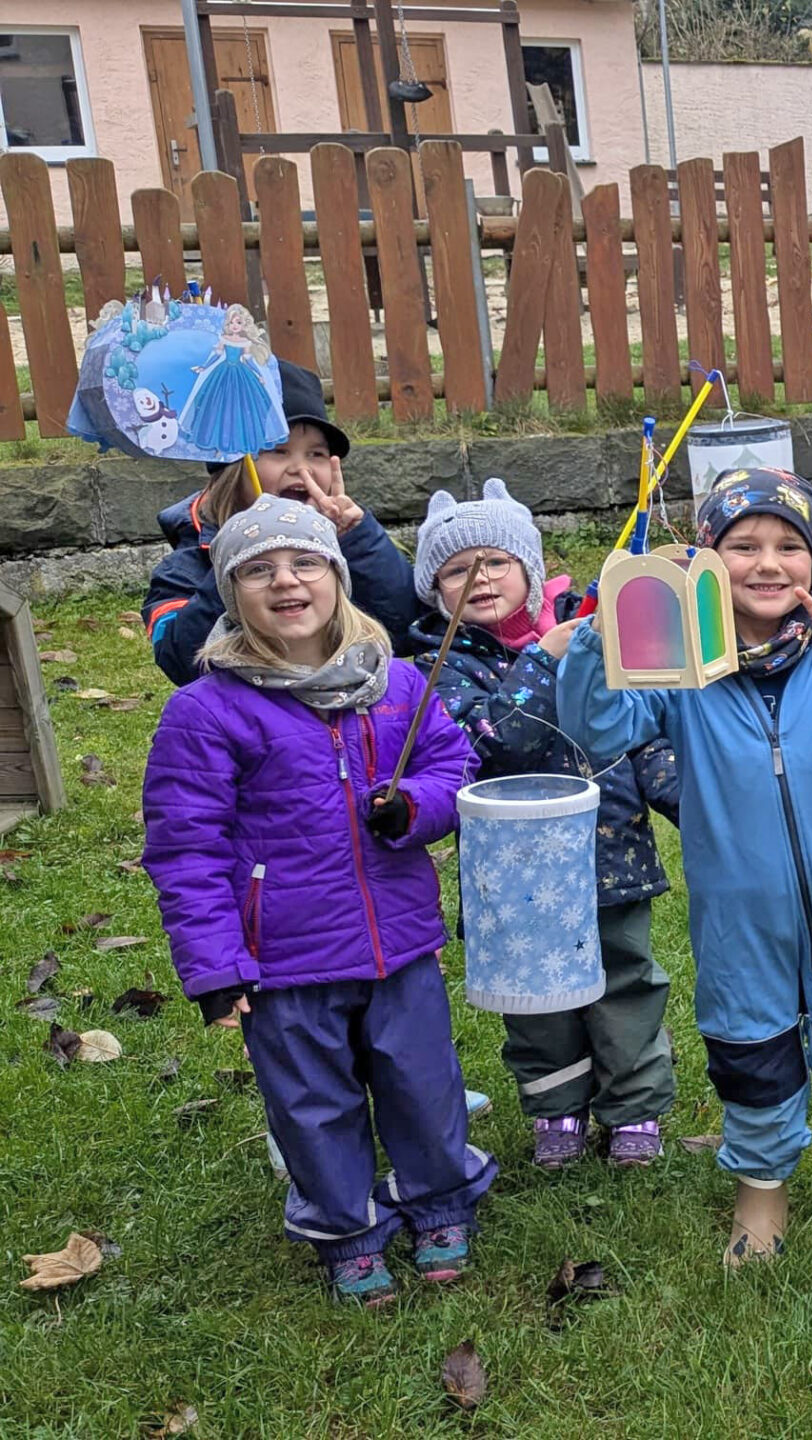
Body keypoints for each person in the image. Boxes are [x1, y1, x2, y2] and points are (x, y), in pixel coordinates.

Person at [559, 467, 812, 1266]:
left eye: (788, 547)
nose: (768, 564)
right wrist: (604, 633)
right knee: (750, 1049)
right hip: (738, 919)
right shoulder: (683, 669)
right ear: (706, 561)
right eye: (743, 546)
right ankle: (761, 1188)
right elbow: (597, 726)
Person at [142, 494, 492, 1307]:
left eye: (304, 563)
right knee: (312, 1105)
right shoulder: (207, 711)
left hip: (397, 943)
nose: (286, 581)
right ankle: (345, 1227)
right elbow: (186, 849)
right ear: (231, 595)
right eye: (257, 570)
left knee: (423, 1083)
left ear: (336, 578)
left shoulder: (398, 682)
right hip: (286, 961)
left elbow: (453, 767)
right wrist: (215, 966)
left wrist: (414, 806)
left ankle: (439, 1201)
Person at [411, 479, 684, 1171]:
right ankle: (556, 1107)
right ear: (433, 590)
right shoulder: (439, 666)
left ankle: (634, 1109)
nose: (479, 578)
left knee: (625, 982)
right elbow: (501, 741)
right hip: (513, 872)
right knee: (536, 999)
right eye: (455, 569)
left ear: (530, 569)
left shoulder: (589, 632)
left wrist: (691, 799)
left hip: (609, 855)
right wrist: (545, 658)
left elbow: (638, 728)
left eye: (496, 561)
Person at [146, 358, 425, 687]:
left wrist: (357, 541)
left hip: (346, 713)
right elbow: (182, 663)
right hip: (249, 721)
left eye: (316, 454)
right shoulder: (185, 566)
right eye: (278, 451)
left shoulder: (346, 544)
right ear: (232, 467)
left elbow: (406, 629)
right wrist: (240, 556)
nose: (300, 469)